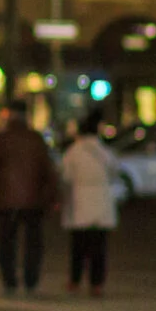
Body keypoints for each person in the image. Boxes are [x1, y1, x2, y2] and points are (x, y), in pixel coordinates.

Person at [0, 101, 56, 296]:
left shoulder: (0, 140)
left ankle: (10, 282)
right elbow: (48, 171)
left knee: (6, 243)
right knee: (33, 243)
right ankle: (30, 281)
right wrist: (52, 197)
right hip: (33, 200)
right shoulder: (36, 139)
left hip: (6, 200)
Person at [59, 112, 122, 297]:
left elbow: (66, 176)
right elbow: (115, 172)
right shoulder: (105, 152)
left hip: (80, 201)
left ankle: (75, 280)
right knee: (99, 246)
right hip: (102, 200)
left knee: (78, 245)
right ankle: (97, 283)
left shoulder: (73, 152)